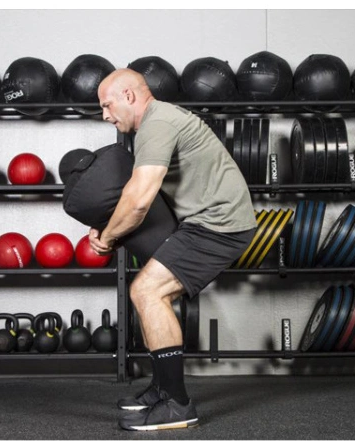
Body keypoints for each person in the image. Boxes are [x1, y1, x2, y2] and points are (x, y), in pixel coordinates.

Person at [91, 68, 256, 431]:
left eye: (107, 105)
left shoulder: (158, 124)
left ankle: (178, 405)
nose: (105, 115)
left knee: (147, 291)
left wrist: (106, 238)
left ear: (129, 96)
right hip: (203, 221)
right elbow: (139, 195)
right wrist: (107, 225)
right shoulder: (157, 122)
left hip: (219, 225)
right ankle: (162, 389)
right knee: (148, 295)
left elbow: (138, 202)